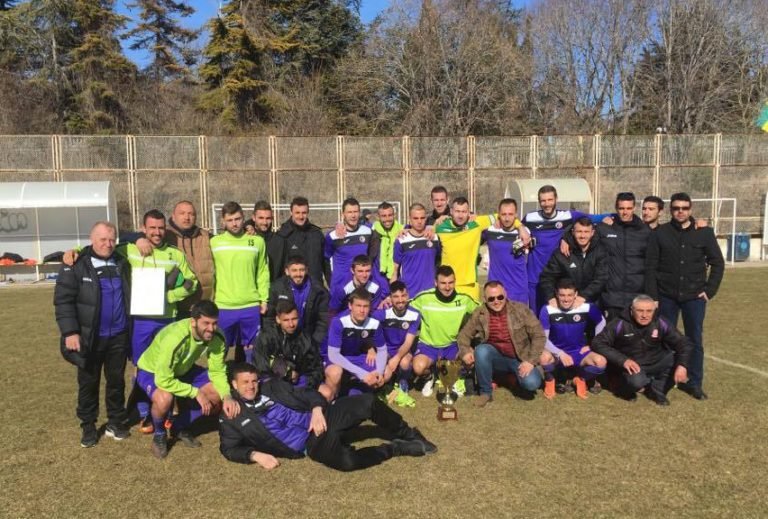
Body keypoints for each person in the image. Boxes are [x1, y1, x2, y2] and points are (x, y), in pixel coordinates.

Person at [219, 363, 437, 472]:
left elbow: (308, 394)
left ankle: (409, 434)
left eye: (254, 381)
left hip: (323, 417)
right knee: (348, 462)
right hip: (310, 443)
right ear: (234, 385)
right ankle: (394, 449)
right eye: (245, 383)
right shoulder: (232, 415)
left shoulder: (273, 387)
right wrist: (255, 455)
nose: (251, 386)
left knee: (368, 402)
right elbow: (229, 448)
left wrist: (316, 409)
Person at [54, 221, 132, 447]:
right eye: (103, 239)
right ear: (92, 239)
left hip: (118, 336)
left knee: (116, 381)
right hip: (90, 337)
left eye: (112, 240)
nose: (108, 244)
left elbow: (136, 237)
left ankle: (115, 421)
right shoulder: (76, 264)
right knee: (88, 382)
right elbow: (63, 301)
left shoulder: (122, 262)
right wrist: (70, 332)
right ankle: (88, 425)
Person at [644, 193, 724, 401]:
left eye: (684, 208)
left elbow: (717, 262)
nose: (680, 211)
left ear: (691, 209)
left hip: (694, 296)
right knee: (665, 339)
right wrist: (653, 296)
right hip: (666, 296)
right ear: (671, 210)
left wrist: (710, 290)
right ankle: (663, 381)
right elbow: (651, 266)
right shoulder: (660, 233)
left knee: (694, 339)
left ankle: (694, 382)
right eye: (676, 208)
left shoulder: (704, 233)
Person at [136, 300, 240, 458]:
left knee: (216, 393)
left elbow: (217, 371)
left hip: (183, 368)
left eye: (214, 323)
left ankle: (178, 426)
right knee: (165, 399)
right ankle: (160, 433)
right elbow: (163, 380)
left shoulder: (217, 336)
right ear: (193, 322)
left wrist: (227, 395)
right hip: (152, 371)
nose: (211, 328)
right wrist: (195, 392)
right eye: (206, 323)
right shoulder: (174, 338)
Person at [457, 281, 547, 407]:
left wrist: (530, 361)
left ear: (505, 294)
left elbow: (539, 335)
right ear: (485, 299)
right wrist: (465, 351)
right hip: (495, 357)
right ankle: (485, 393)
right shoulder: (479, 313)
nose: (496, 301)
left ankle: (507, 378)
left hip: (519, 358)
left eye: (500, 297)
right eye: (491, 299)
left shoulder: (521, 310)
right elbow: (463, 335)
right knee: (481, 350)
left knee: (532, 383)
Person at [591, 295, 692, 406]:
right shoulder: (619, 323)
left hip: (656, 360)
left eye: (649, 311)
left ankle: (656, 391)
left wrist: (682, 366)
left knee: (681, 359)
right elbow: (598, 343)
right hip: (633, 365)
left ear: (654, 310)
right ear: (632, 310)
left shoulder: (661, 322)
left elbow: (684, 343)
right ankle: (622, 388)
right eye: (640, 311)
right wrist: (623, 360)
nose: (644, 315)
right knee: (636, 382)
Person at [210, 201, 270, 364]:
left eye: (237, 219)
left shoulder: (257, 242)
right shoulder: (214, 243)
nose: (234, 223)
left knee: (251, 351)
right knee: (219, 350)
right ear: (223, 221)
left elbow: (262, 272)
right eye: (230, 220)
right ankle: (217, 380)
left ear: (244, 218)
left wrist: (264, 299)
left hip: (250, 305)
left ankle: (249, 378)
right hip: (223, 306)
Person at [435, 196, 527, 301]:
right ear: (451, 211)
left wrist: (520, 227)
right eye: (457, 211)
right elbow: (426, 231)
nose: (460, 215)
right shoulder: (440, 227)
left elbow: (504, 215)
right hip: (447, 284)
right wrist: (433, 224)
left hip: (469, 285)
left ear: (469, 213)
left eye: (464, 211)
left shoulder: (476, 223)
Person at [410, 266, 479, 397]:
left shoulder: (464, 299)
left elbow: (482, 311)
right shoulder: (423, 298)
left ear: (455, 282)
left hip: (452, 345)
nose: (447, 287)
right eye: (443, 283)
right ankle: (430, 376)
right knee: (418, 368)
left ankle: (459, 377)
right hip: (428, 346)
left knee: (471, 358)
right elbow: (404, 308)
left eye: (450, 283)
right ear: (436, 283)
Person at [522, 185, 590, 312]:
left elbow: (591, 219)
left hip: (558, 277)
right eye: (543, 200)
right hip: (535, 276)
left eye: (550, 200)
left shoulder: (567, 216)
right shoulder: (530, 218)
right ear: (539, 201)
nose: (547, 204)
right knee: (536, 316)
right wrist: (520, 228)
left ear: (556, 199)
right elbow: (515, 225)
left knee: (558, 316)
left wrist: (567, 237)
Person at [539, 279, 607, 400]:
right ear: (556, 294)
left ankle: (580, 379)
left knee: (600, 362)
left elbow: (601, 322)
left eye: (570, 295)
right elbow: (543, 338)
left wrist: (593, 344)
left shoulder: (586, 307)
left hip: (579, 352)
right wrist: (559, 353)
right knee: (543, 357)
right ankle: (550, 380)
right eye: (562, 295)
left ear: (576, 294)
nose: (566, 299)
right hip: (556, 354)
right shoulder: (547, 309)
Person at [595, 192, 652, 320]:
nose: (625, 212)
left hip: (637, 297)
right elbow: (582, 232)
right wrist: (567, 238)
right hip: (611, 298)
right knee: (612, 332)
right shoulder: (604, 229)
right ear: (616, 208)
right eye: (621, 208)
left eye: (628, 208)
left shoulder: (644, 231)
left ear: (634, 208)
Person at [323, 289, 388, 399]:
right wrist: (363, 374)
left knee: (386, 372)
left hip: (355, 355)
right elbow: (333, 355)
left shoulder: (374, 323)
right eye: (358, 306)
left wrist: (379, 373)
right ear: (350, 306)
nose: (362, 310)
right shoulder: (339, 321)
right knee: (335, 373)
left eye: (365, 306)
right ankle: (332, 401)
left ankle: (354, 395)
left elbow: (382, 349)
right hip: (334, 357)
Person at [253, 301, 325, 394]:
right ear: (278, 319)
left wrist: (309, 385)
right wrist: (287, 372)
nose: (291, 324)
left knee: (327, 392)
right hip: (274, 382)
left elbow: (316, 368)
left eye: (294, 319)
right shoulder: (266, 336)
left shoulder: (305, 338)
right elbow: (261, 364)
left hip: (299, 382)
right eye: (286, 320)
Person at [538, 216, 607, 307]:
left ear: (592, 233)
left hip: (593, 303)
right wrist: (551, 297)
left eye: (586, 232)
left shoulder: (600, 251)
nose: (582, 236)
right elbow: (547, 277)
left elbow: (601, 278)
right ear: (573, 232)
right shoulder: (561, 253)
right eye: (579, 231)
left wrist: (583, 296)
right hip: (565, 304)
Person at [372, 281, 420, 408]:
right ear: (390, 298)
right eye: (396, 297)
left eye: (403, 296)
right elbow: (366, 320)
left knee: (404, 362)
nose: (400, 300)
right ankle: (386, 386)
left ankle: (402, 382)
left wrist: (396, 358)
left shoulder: (415, 314)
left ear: (408, 295)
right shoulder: (382, 313)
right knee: (384, 376)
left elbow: (408, 342)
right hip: (385, 350)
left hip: (403, 349)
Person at [265, 255, 329, 350]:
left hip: (309, 338)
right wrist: (276, 339)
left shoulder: (318, 290)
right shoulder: (276, 288)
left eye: (301, 270)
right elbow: (269, 318)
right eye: (294, 270)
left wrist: (314, 342)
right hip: (284, 338)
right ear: (287, 271)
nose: (298, 274)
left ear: (307, 270)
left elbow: (323, 320)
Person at [324, 197, 381, 299]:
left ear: (359, 213)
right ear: (343, 214)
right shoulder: (333, 236)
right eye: (349, 212)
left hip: (361, 286)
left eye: (355, 212)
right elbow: (325, 260)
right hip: (340, 287)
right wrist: (330, 281)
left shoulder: (368, 231)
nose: (353, 215)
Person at [165, 200, 214, 317]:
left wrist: (249, 227)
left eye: (191, 214)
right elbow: (133, 238)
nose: (187, 217)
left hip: (205, 307)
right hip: (177, 307)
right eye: (182, 213)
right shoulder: (164, 236)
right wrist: (139, 238)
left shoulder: (206, 237)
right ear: (173, 216)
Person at [482, 198, 530, 305]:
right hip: (495, 289)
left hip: (518, 288)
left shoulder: (525, 232)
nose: (507, 218)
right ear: (498, 214)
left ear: (516, 214)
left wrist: (520, 227)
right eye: (503, 214)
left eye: (510, 214)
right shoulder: (490, 230)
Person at [391, 203, 441, 297]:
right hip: (409, 294)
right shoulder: (402, 240)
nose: (419, 221)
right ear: (410, 219)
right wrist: (392, 295)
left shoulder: (434, 238)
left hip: (430, 294)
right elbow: (394, 272)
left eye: (422, 218)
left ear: (426, 219)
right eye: (416, 218)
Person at [275, 196, 327, 284]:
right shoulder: (282, 236)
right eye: (297, 213)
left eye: (304, 213)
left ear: (308, 212)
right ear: (291, 212)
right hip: (291, 288)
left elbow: (325, 263)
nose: (301, 216)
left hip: (315, 286)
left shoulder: (316, 234)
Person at [245, 200, 285, 282]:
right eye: (261, 218)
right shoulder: (246, 239)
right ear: (253, 218)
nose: (265, 222)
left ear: (272, 218)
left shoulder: (280, 242)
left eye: (268, 218)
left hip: (274, 288)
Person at [372, 201, 404, 282]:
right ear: (378, 217)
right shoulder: (372, 231)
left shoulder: (402, 231)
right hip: (377, 278)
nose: (387, 219)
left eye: (390, 215)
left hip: (396, 277)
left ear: (394, 215)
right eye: (384, 216)